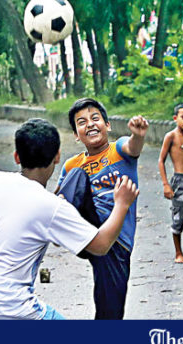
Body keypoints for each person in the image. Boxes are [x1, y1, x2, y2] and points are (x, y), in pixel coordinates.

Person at [0, 118, 139, 320]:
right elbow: (101, 245)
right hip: (11, 311)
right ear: (57, 157)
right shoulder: (51, 206)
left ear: (16, 157)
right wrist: (121, 204)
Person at [54, 98, 149, 319]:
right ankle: (59, 230)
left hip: (117, 242)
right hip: (86, 231)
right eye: (82, 122)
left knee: (109, 307)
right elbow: (58, 196)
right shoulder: (72, 165)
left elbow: (132, 147)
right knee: (76, 175)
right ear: (77, 135)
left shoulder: (118, 150)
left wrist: (138, 135)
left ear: (107, 125)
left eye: (95, 118)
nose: (90, 124)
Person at [158, 103, 183, 263]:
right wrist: (166, 184)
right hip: (180, 181)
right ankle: (178, 253)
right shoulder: (171, 136)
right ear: (175, 118)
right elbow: (161, 160)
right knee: (178, 218)